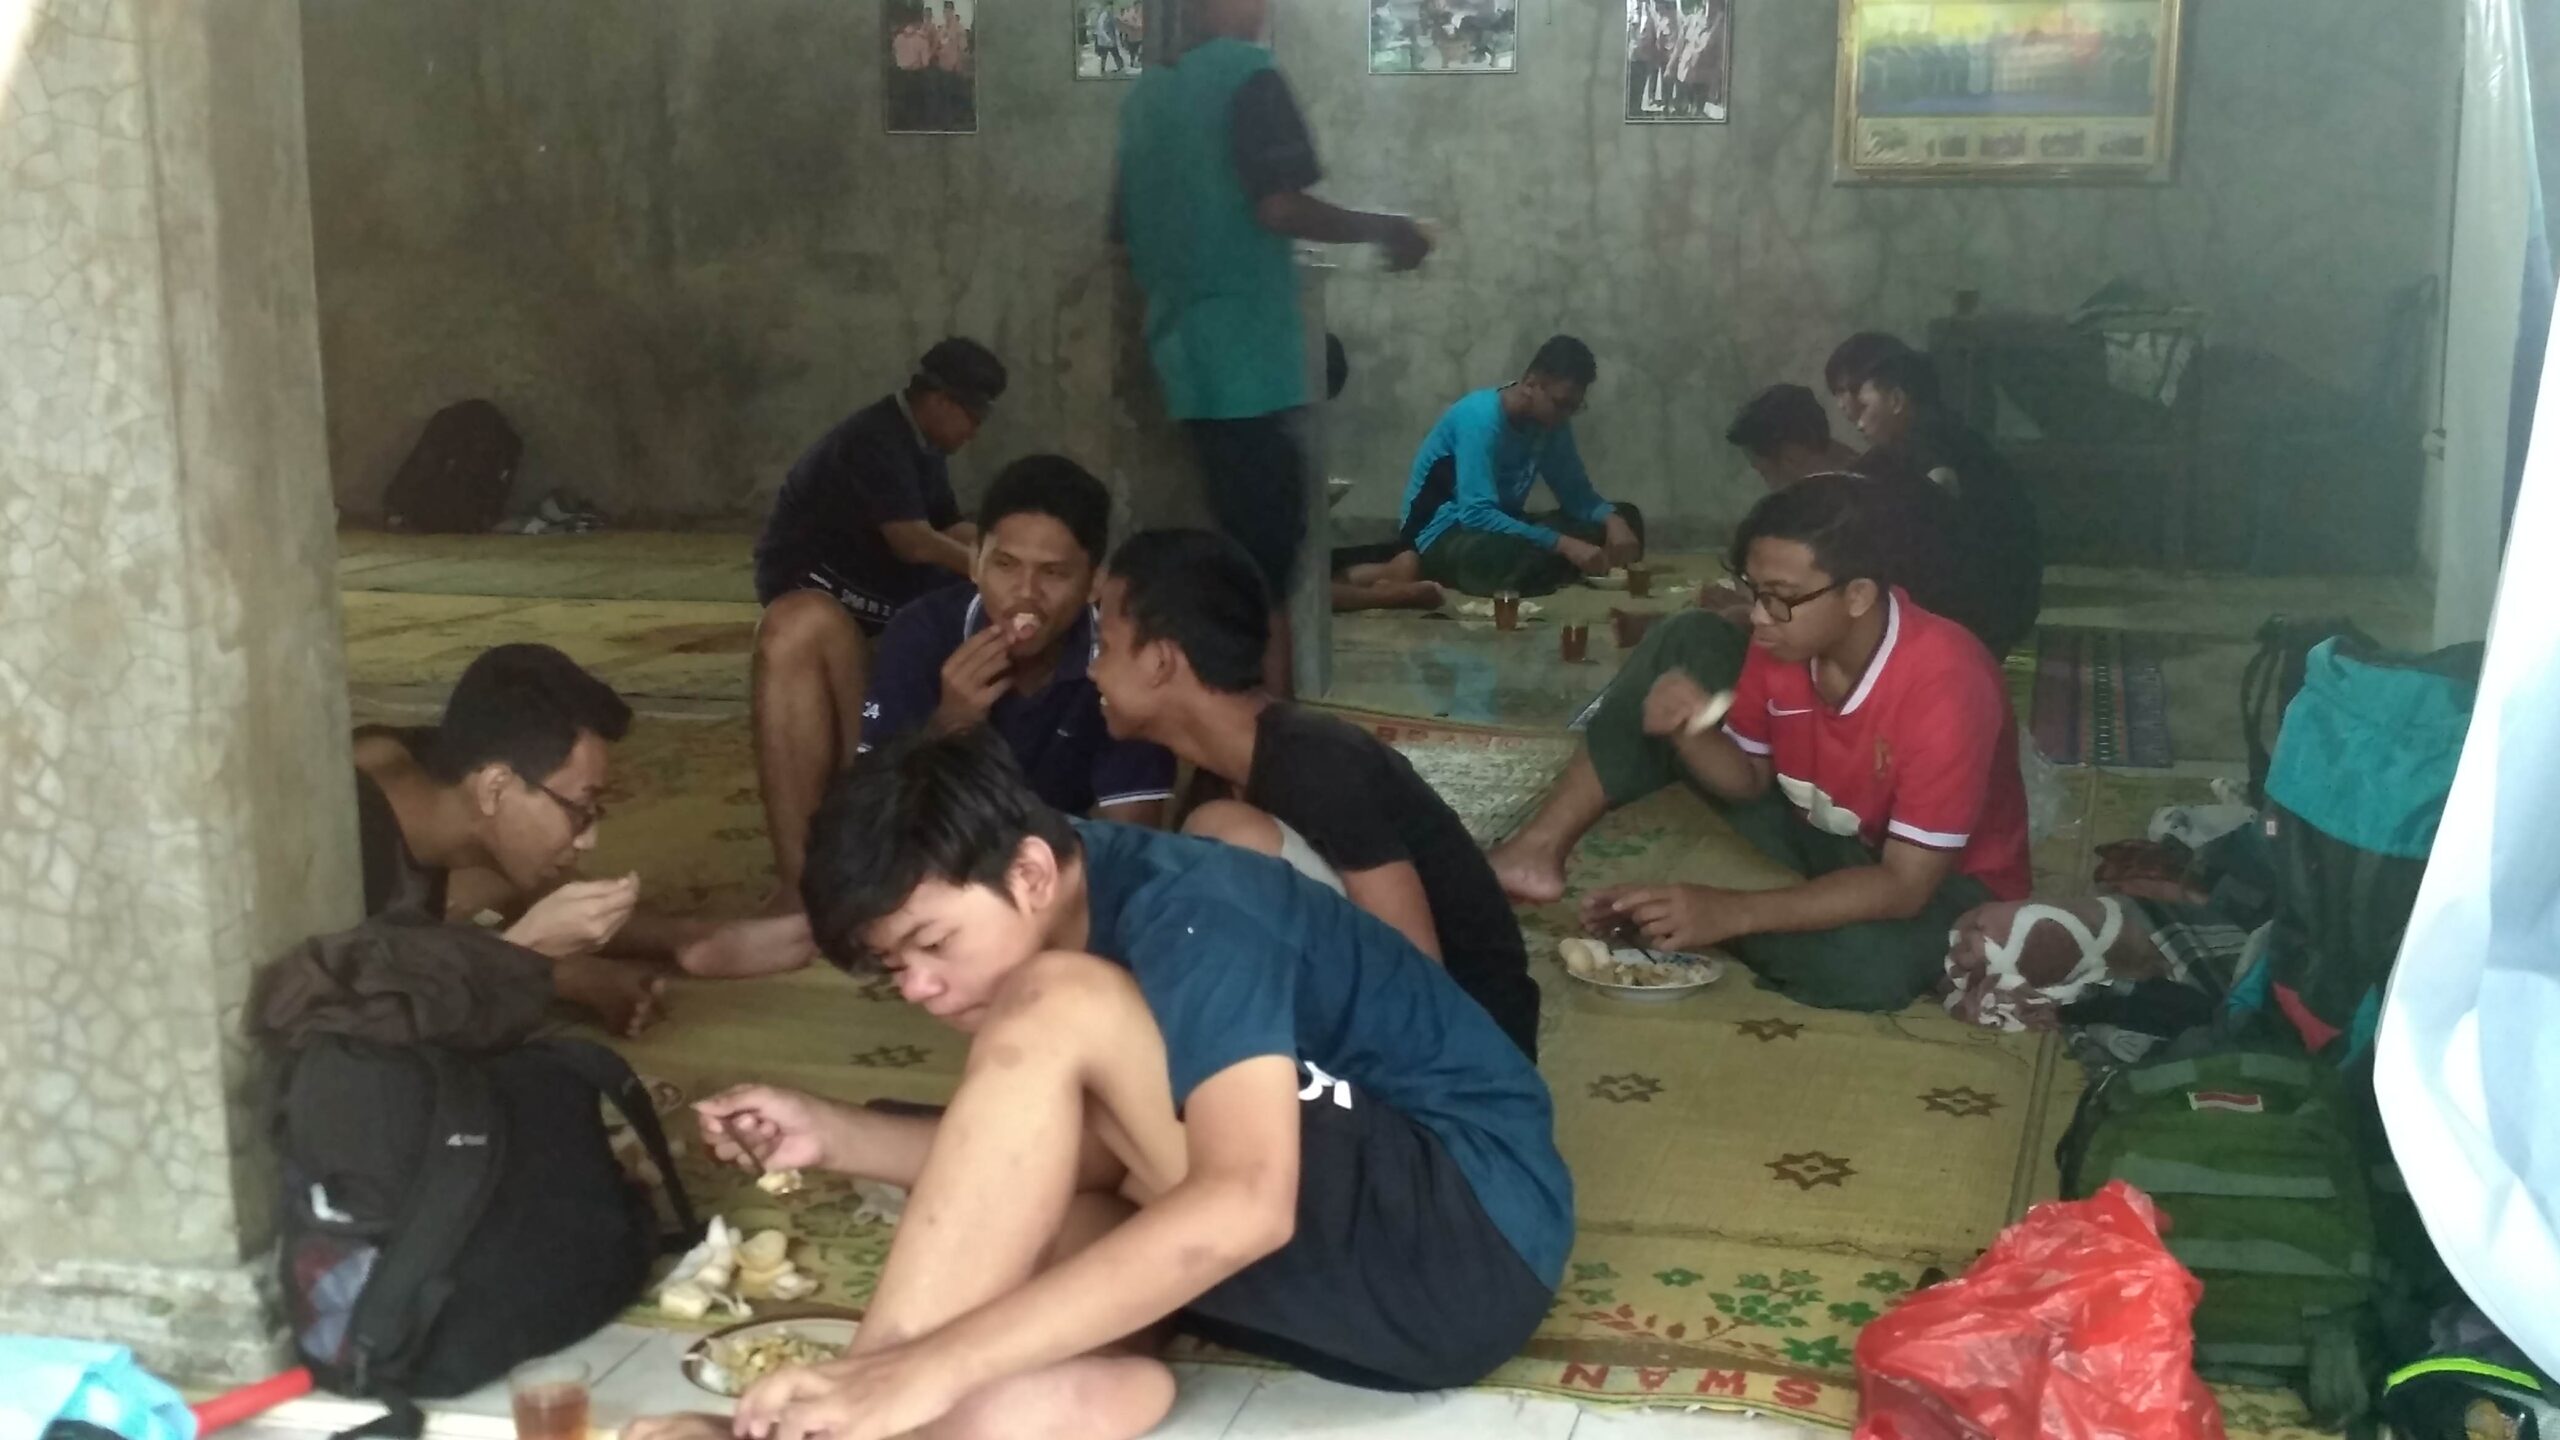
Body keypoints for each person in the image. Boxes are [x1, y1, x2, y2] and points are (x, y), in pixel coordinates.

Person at [626, 727, 1571, 1440]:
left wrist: (912, 1368)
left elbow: (1246, 1203)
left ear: (1033, 872)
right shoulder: (1073, 907)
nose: (916, 989)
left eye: (932, 944)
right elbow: (1064, 1159)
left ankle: (862, 1404)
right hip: (1366, 1279)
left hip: (1458, 1247)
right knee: (1040, 1240)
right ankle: (1061, 1397)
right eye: (894, 968)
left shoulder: (1189, 914)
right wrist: (834, 1135)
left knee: (1056, 1004)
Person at [1488, 476, 2031, 1012]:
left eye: (1781, 598)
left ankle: (1689, 925)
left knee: (1865, 968)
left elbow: (1904, 886)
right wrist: (1691, 733)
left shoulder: (1947, 686)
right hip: (1828, 829)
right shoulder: (1786, 643)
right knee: (1688, 637)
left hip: (1940, 880)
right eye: (1753, 591)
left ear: (1858, 595)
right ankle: (1537, 852)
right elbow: (1747, 779)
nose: (1757, 615)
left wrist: (1729, 912)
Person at [1090, 528, 1541, 1056]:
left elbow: (1419, 978)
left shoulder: (1314, 764)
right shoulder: (1218, 774)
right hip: (1397, 1034)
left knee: (1225, 841)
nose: (1092, 670)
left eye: (1105, 647)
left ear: (1160, 661)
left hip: (1466, 1054)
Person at [1115, 0, 1436, 695]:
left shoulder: (1147, 97)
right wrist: (1389, 228)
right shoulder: (1250, 78)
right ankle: (1268, 739)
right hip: (1249, 367)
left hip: (1181, 362)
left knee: (1230, 563)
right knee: (1265, 578)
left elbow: (1125, 233)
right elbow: (1279, 206)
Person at [354, 646, 817, 1034]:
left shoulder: (437, 771)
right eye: (578, 808)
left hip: (438, 884)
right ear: (495, 787)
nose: (588, 840)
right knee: (481, 899)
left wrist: (588, 968)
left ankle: (689, 939)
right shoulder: (355, 856)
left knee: (496, 874)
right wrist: (552, 967)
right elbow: (369, 1021)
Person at [751, 338, 1008, 897]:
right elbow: (913, 541)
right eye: (973, 417)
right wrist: (989, 569)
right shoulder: (875, 439)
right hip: (820, 591)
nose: (974, 432)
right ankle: (811, 878)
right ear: (941, 402)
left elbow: (949, 527)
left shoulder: (922, 448)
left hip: (873, 592)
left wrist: (1003, 553)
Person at [857, 454, 1175, 828]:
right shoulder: (922, 633)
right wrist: (949, 727)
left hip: (1060, 857)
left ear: (1094, 584)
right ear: (976, 563)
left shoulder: (1121, 662)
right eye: (1005, 565)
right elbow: (872, 817)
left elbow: (1130, 836)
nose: (1025, 593)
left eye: (1053, 573)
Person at [1832, 344, 2043, 658]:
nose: (1859, 423)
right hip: (2009, 604)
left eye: (1864, 408)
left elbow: (1941, 491)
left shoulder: (1928, 436)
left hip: (1985, 614)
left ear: (1896, 400)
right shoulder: (1933, 435)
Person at [1398, 335, 1644, 598]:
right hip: (1441, 533)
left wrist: (1612, 520)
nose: (1566, 415)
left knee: (1627, 517)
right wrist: (1563, 544)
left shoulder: (1552, 425)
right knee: (1498, 556)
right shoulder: (1479, 419)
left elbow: (1577, 494)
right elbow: (1476, 515)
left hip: (1505, 524)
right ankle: (1557, 567)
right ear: (1530, 384)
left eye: (1574, 407)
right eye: (1561, 404)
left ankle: (1552, 568)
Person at [1725, 383, 1863, 490]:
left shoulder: (1848, 505)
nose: (1771, 487)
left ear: (1792, 454)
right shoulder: (1863, 477)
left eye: (1765, 473)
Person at [1089, 2, 1124, 73]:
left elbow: (1115, 27)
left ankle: (1120, 68)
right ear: (1106, 7)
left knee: (1115, 54)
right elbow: (1100, 28)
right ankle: (1102, 70)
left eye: (1112, 7)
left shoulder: (1111, 15)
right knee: (1104, 56)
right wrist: (1107, 38)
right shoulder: (1103, 16)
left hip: (1112, 39)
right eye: (1110, 7)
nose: (1111, 8)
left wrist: (1116, 37)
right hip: (1104, 40)